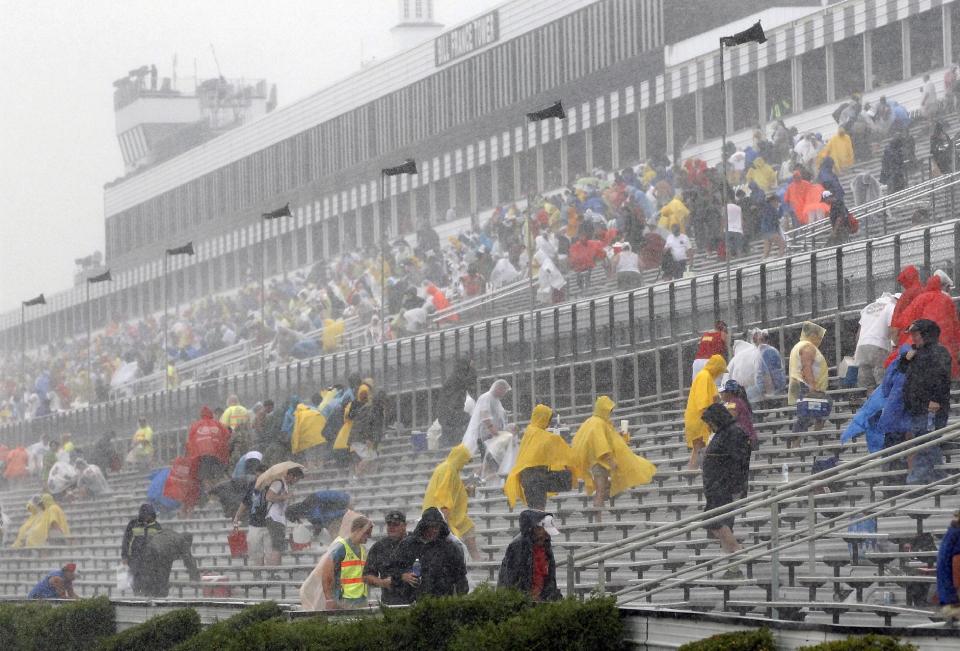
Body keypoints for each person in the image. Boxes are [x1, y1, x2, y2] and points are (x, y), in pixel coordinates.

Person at [571, 396, 657, 518]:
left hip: (598, 462)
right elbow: (601, 445)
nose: (611, 413)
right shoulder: (598, 423)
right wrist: (610, 460)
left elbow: (609, 441)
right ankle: (598, 517)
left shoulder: (596, 422)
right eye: (609, 410)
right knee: (601, 490)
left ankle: (598, 514)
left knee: (602, 488)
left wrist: (620, 436)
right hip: (599, 463)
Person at [700, 403, 752, 576]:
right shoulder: (723, 432)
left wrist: (734, 485)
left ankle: (737, 551)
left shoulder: (733, 432)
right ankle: (732, 567)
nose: (709, 426)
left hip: (723, 486)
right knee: (721, 523)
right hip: (716, 486)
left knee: (713, 520)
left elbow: (739, 462)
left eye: (710, 422)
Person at [899, 319, 952, 484]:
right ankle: (938, 478)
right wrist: (906, 360)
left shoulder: (939, 352)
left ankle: (918, 479)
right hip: (917, 406)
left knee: (925, 441)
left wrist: (935, 399)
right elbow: (902, 370)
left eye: (916, 334)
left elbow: (942, 379)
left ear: (926, 334)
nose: (913, 338)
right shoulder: (916, 353)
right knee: (926, 441)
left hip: (931, 407)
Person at [386, 507, 469, 600]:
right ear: (423, 526)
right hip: (412, 601)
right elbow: (391, 569)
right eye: (429, 527)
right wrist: (402, 576)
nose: (433, 530)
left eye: (436, 527)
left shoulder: (450, 548)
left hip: (442, 602)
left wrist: (461, 599)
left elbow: (461, 578)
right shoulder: (408, 545)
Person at [504, 404, 574, 511]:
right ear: (543, 418)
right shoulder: (540, 434)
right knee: (539, 508)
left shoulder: (529, 430)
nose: (549, 423)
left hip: (527, 476)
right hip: (536, 476)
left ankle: (534, 526)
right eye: (548, 419)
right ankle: (537, 526)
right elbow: (554, 443)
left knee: (534, 508)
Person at [422, 444, 481, 561]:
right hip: (440, 513)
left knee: (468, 527)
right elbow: (443, 494)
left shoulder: (451, 469)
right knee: (453, 542)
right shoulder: (447, 469)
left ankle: (477, 558)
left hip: (451, 513)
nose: (464, 465)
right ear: (460, 458)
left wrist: (466, 491)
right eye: (464, 462)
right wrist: (445, 518)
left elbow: (454, 490)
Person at [497, 510, 562, 601]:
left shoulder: (546, 547)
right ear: (535, 528)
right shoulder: (518, 547)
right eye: (545, 532)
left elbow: (550, 579)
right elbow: (511, 580)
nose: (547, 537)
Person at [256, 462, 305, 566]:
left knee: (278, 545)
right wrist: (284, 497)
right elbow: (269, 497)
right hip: (274, 518)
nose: (296, 482)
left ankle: (275, 569)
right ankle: (274, 571)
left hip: (279, 519)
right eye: (296, 479)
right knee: (277, 546)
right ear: (291, 475)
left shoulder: (285, 486)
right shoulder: (278, 483)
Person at [321, 516, 374, 609]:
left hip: (361, 600)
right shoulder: (340, 548)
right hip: (343, 601)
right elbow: (326, 576)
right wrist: (329, 599)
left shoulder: (363, 550)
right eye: (367, 533)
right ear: (358, 530)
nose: (369, 536)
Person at [684, 355, 727, 469]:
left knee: (699, 449)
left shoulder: (707, 377)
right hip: (699, 420)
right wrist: (711, 421)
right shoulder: (704, 377)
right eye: (720, 370)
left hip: (699, 419)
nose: (720, 374)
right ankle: (691, 476)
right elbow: (702, 403)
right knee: (698, 449)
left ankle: (693, 476)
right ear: (716, 368)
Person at [363, 510, 411, 606]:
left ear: (405, 525)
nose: (392, 527)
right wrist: (382, 582)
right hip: (390, 603)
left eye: (396, 524)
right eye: (389, 524)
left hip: (415, 601)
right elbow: (367, 576)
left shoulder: (415, 543)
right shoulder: (379, 547)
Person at [788, 321, 829, 433]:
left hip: (801, 385)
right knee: (807, 414)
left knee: (812, 413)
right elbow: (807, 367)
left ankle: (815, 435)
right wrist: (812, 386)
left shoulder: (799, 345)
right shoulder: (808, 347)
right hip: (806, 386)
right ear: (813, 335)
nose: (820, 339)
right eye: (818, 336)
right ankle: (798, 442)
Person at [137, 529, 202, 598]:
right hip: (161, 554)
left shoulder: (170, 533)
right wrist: (195, 578)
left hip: (148, 550)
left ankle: (148, 595)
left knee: (151, 574)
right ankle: (160, 597)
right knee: (162, 578)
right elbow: (189, 561)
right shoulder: (182, 541)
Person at [854, 293, 897, 391]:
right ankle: (881, 403)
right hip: (879, 344)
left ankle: (869, 402)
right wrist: (894, 346)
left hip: (862, 346)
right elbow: (892, 329)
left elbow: (859, 333)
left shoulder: (867, 308)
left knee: (868, 384)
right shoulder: (891, 307)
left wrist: (857, 350)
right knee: (882, 380)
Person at [185, 405, 232, 496]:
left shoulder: (196, 425)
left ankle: (211, 494)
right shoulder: (218, 424)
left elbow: (190, 441)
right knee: (217, 475)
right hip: (217, 454)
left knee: (205, 477)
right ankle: (218, 493)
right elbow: (227, 436)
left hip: (202, 456)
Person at [233, 462, 270, 567]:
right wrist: (237, 516)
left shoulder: (273, 484)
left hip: (270, 523)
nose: (258, 478)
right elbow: (245, 501)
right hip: (255, 522)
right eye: (257, 475)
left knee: (270, 552)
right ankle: (258, 573)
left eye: (261, 475)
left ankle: (270, 574)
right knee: (255, 551)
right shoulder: (252, 485)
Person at [461, 378, 511, 457]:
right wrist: (493, 430)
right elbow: (484, 415)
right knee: (488, 461)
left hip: (491, 436)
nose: (504, 393)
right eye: (504, 390)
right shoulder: (487, 397)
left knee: (490, 462)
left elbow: (497, 414)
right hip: (485, 436)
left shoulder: (496, 400)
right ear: (498, 388)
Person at [435, 358, 477, 448]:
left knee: (449, 433)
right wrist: (472, 368)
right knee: (468, 422)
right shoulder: (457, 377)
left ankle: (446, 450)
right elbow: (469, 382)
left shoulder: (454, 377)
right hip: (451, 411)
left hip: (447, 412)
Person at [121, 503, 162, 595]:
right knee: (136, 579)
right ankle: (138, 595)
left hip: (150, 559)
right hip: (135, 558)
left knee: (149, 580)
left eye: (150, 515)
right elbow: (126, 541)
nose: (149, 518)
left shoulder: (157, 526)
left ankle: (147, 596)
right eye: (147, 515)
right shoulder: (133, 524)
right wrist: (124, 556)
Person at [285, 489, 353, 539]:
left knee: (334, 531)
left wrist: (345, 511)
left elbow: (327, 517)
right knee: (332, 531)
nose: (301, 519)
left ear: (297, 513)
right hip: (343, 504)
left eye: (298, 518)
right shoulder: (309, 511)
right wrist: (315, 534)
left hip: (345, 502)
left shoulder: (312, 510)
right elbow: (318, 526)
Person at [720, 380, 758, 450]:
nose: (721, 395)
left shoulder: (734, 403)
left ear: (729, 393)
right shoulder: (737, 401)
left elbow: (727, 421)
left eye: (723, 392)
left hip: (745, 439)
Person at [937, 510, 960, 621]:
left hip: (949, 598)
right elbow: (957, 563)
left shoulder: (952, 533)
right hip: (954, 600)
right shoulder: (957, 534)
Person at [754, 329, 787, 404]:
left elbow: (765, 375)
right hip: (779, 385)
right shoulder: (773, 350)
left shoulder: (763, 352)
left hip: (770, 387)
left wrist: (767, 393)